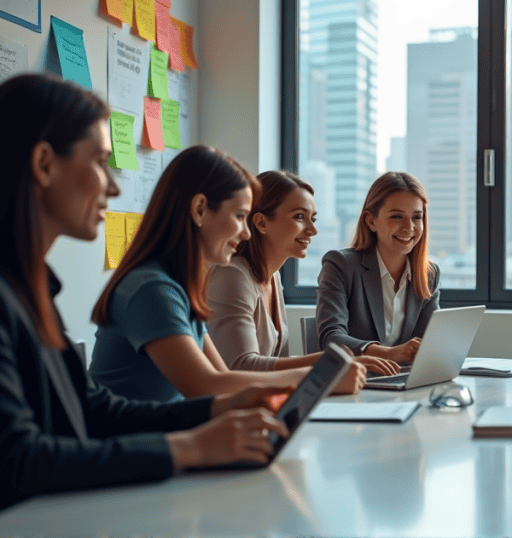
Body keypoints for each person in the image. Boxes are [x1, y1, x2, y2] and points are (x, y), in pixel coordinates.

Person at [0, 74, 291, 510]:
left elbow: (95, 409)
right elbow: (18, 461)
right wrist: (190, 448)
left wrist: (214, 413)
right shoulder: (13, 294)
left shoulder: (32, 285)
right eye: (100, 162)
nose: (113, 187)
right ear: (44, 164)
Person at [89, 147, 367, 402]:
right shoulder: (151, 289)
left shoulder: (179, 287)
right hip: (135, 448)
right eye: (239, 217)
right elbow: (207, 385)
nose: (246, 232)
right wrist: (321, 375)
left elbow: (223, 379)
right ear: (199, 210)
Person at [206, 170, 399, 375]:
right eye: (299, 217)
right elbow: (239, 366)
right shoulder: (233, 276)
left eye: (312, 219)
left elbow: (273, 364)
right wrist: (327, 362)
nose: (312, 230)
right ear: (261, 223)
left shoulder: (272, 276)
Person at [316, 172, 440, 363]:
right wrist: (390, 354)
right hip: (358, 381)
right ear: (371, 221)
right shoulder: (340, 265)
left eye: (417, 217)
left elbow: (430, 341)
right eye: (397, 217)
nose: (409, 227)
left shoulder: (428, 274)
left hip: (404, 382)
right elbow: (331, 338)